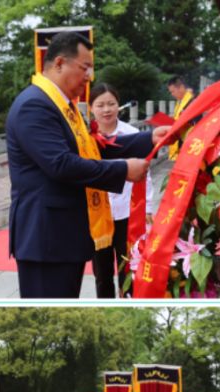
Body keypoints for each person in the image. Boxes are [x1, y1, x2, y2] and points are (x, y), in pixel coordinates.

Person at [6, 31, 164, 298]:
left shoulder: (64, 107)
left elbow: (95, 149)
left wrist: (150, 139)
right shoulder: (34, 106)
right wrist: (124, 170)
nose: (90, 76)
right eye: (84, 68)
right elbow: (62, 165)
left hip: (65, 235)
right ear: (58, 63)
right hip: (46, 238)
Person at [89, 82, 156, 298]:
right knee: (102, 272)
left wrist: (148, 207)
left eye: (111, 104)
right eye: (100, 105)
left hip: (128, 212)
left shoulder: (132, 133)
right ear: (91, 108)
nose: (106, 110)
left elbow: (147, 172)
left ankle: (128, 301)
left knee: (128, 268)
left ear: (119, 106)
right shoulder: (86, 138)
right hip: (98, 214)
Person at [166, 75, 195, 160]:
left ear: (181, 87)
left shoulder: (192, 102)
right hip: (180, 140)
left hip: (188, 142)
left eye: (173, 91)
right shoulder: (180, 102)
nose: (172, 94)